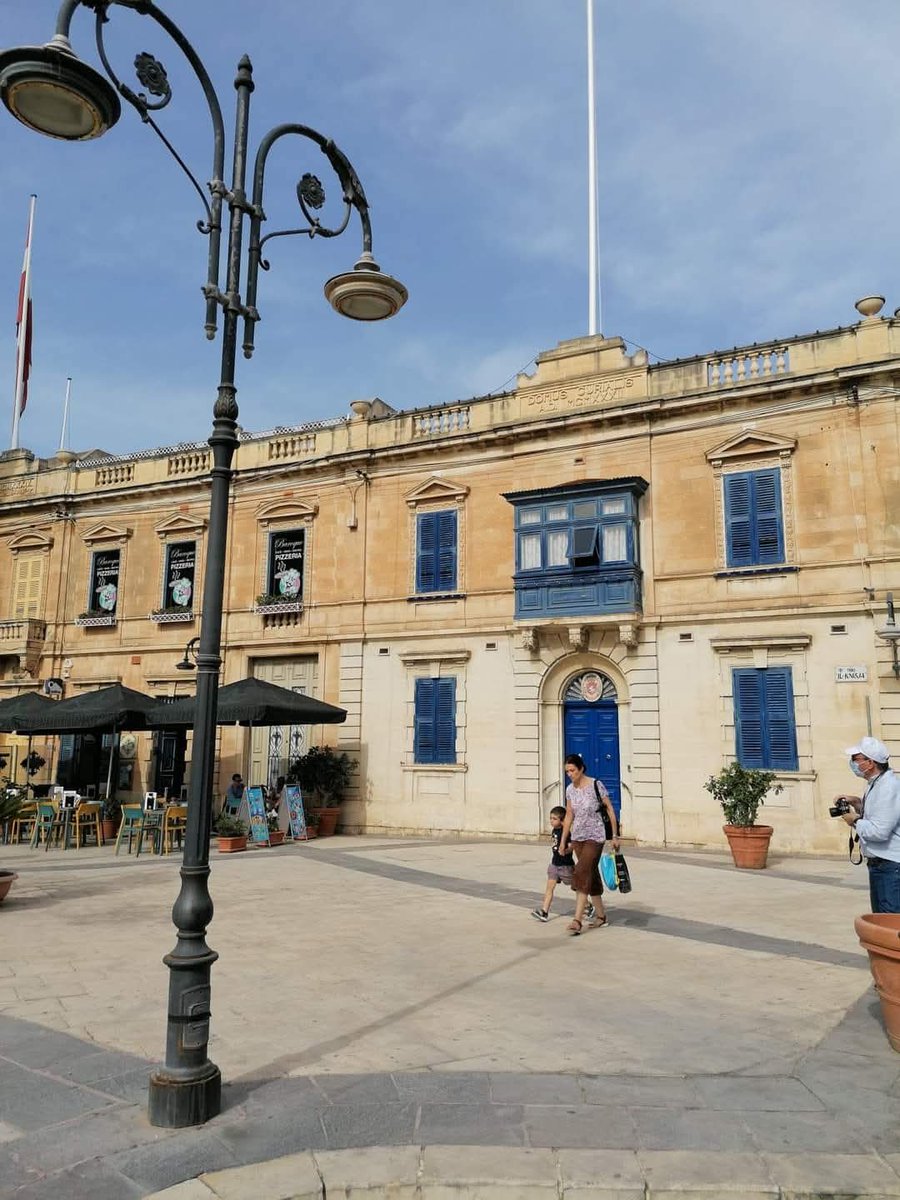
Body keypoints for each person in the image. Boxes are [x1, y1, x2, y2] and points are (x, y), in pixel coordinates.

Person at [837, 736, 900, 913]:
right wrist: (856, 802)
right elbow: (878, 813)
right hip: (881, 864)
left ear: (870, 762)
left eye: (855, 759)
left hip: (890, 865)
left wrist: (854, 820)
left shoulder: (888, 787)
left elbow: (879, 832)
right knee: (881, 920)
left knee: (890, 923)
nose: (852, 763)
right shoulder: (876, 783)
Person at [559, 752, 619, 936]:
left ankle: (577, 920)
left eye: (572, 770)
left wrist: (615, 835)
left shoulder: (595, 785)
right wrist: (563, 840)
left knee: (582, 871)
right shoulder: (570, 790)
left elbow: (609, 808)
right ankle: (601, 916)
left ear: (581, 768)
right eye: (567, 771)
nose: (570, 774)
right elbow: (569, 815)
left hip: (596, 836)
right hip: (578, 837)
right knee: (590, 874)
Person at [530, 805, 596, 924]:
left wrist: (566, 851)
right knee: (549, 888)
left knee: (576, 887)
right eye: (550, 818)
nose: (551, 821)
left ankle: (588, 906)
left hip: (566, 866)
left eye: (554, 819)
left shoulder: (567, 833)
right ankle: (544, 912)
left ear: (562, 820)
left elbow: (572, 846)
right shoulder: (555, 830)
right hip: (555, 864)